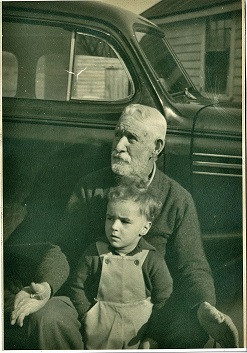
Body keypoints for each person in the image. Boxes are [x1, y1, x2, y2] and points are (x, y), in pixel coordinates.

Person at [6, 104, 239, 349]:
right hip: (90, 305)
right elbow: (64, 246)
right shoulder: (90, 187)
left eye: (132, 138)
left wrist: (203, 305)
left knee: (193, 325)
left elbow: (193, 267)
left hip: (149, 313)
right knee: (48, 318)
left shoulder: (176, 199)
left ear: (156, 148)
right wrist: (46, 286)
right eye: (118, 134)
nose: (118, 146)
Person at [70, 184, 173, 349]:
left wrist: (152, 337)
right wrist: (86, 316)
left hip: (138, 336)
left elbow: (164, 299)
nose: (114, 227)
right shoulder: (94, 253)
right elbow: (76, 286)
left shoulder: (152, 259)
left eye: (125, 221)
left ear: (145, 228)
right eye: (110, 218)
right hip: (98, 332)